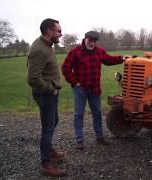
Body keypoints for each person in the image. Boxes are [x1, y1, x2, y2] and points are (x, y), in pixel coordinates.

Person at [62, 31, 128, 150]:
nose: (92, 43)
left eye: (94, 41)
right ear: (85, 39)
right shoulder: (75, 52)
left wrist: (122, 58)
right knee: (79, 114)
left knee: (97, 113)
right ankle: (79, 140)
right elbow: (65, 68)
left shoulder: (99, 51)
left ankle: (100, 137)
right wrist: (74, 82)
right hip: (80, 89)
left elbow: (109, 60)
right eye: (90, 41)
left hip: (95, 89)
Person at [27, 18, 67, 177]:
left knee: (53, 121)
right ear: (49, 31)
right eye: (58, 31)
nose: (61, 33)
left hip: (50, 93)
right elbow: (33, 79)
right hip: (46, 94)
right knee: (48, 128)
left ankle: (49, 151)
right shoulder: (39, 50)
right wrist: (51, 90)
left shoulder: (47, 45)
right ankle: (46, 163)